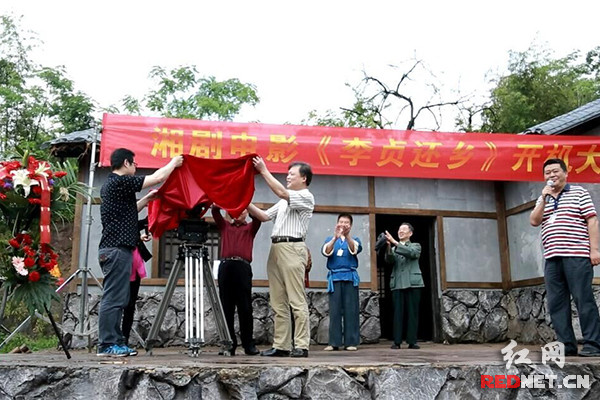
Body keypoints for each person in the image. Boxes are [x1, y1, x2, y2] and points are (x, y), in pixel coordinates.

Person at [97, 148, 183, 357]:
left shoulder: (112, 186)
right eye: (134, 163)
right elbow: (157, 177)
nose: (136, 167)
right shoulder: (119, 181)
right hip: (116, 249)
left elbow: (128, 210)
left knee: (119, 299)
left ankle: (115, 342)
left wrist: (147, 200)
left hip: (118, 249)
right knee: (114, 299)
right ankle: (107, 344)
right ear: (126, 163)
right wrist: (174, 162)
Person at [530, 158, 600, 357]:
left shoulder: (579, 192)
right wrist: (543, 198)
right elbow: (534, 221)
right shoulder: (543, 197)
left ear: (565, 173)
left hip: (576, 255)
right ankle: (566, 345)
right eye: (547, 173)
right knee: (556, 303)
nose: (551, 175)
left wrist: (594, 250)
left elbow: (592, 221)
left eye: (555, 171)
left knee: (583, 299)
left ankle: (593, 345)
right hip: (552, 258)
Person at [247, 157, 314, 358]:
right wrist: (244, 201)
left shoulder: (305, 196)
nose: (287, 177)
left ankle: (301, 345)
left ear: (303, 178)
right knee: (278, 301)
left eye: (291, 174)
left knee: (296, 299)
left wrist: (264, 170)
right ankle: (282, 345)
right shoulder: (284, 201)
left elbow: (281, 192)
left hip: (293, 247)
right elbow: (265, 216)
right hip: (276, 247)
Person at [212, 205, 261, 356]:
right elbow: (215, 212)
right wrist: (225, 201)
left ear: (247, 212)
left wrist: (245, 202)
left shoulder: (250, 228)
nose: (239, 213)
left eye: (242, 210)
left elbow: (258, 218)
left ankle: (248, 344)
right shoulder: (225, 226)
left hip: (243, 267)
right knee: (226, 307)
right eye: (236, 210)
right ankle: (229, 344)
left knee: (245, 307)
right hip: (226, 266)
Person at [321, 213, 362, 351]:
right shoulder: (329, 239)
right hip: (335, 278)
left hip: (350, 277)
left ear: (350, 225)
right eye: (341, 222)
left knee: (351, 310)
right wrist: (335, 238)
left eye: (346, 222)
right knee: (335, 311)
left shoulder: (355, 239)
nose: (343, 224)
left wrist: (347, 236)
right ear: (337, 223)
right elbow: (326, 252)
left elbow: (354, 250)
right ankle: (334, 342)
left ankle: (351, 342)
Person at [385, 222, 423, 350]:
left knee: (413, 313)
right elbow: (389, 261)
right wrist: (389, 247)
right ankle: (397, 341)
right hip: (398, 283)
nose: (400, 231)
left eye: (403, 230)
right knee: (397, 313)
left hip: (413, 283)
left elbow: (412, 254)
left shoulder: (416, 245)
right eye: (399, 229)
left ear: (410, 233)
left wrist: (395, 243)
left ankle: (412, 341)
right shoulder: (395, 248)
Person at [121, 216, 153, 347]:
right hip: (122, 266)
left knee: (130, 305)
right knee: (118, 304)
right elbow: (122, 237)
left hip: (135, 266)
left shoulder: (132, 220)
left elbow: (145, 222)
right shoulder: (118, 219)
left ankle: (124, 338)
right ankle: (113, 338)